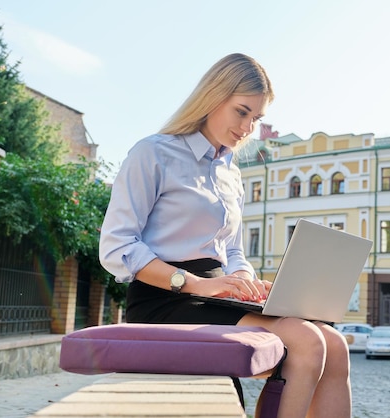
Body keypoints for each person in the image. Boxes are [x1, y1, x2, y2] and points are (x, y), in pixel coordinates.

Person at [99, 53, 351, 418]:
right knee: (307, 341)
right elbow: (117, 246)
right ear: (213, 97)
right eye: (242, 112)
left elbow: (232, 251)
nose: (248, 127)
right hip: (164, 298)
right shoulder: (153, 153)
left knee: (335, 343)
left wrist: (246, 282)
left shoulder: (231, 172)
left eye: (257, 118)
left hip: (219, 296)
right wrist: (196, 285)